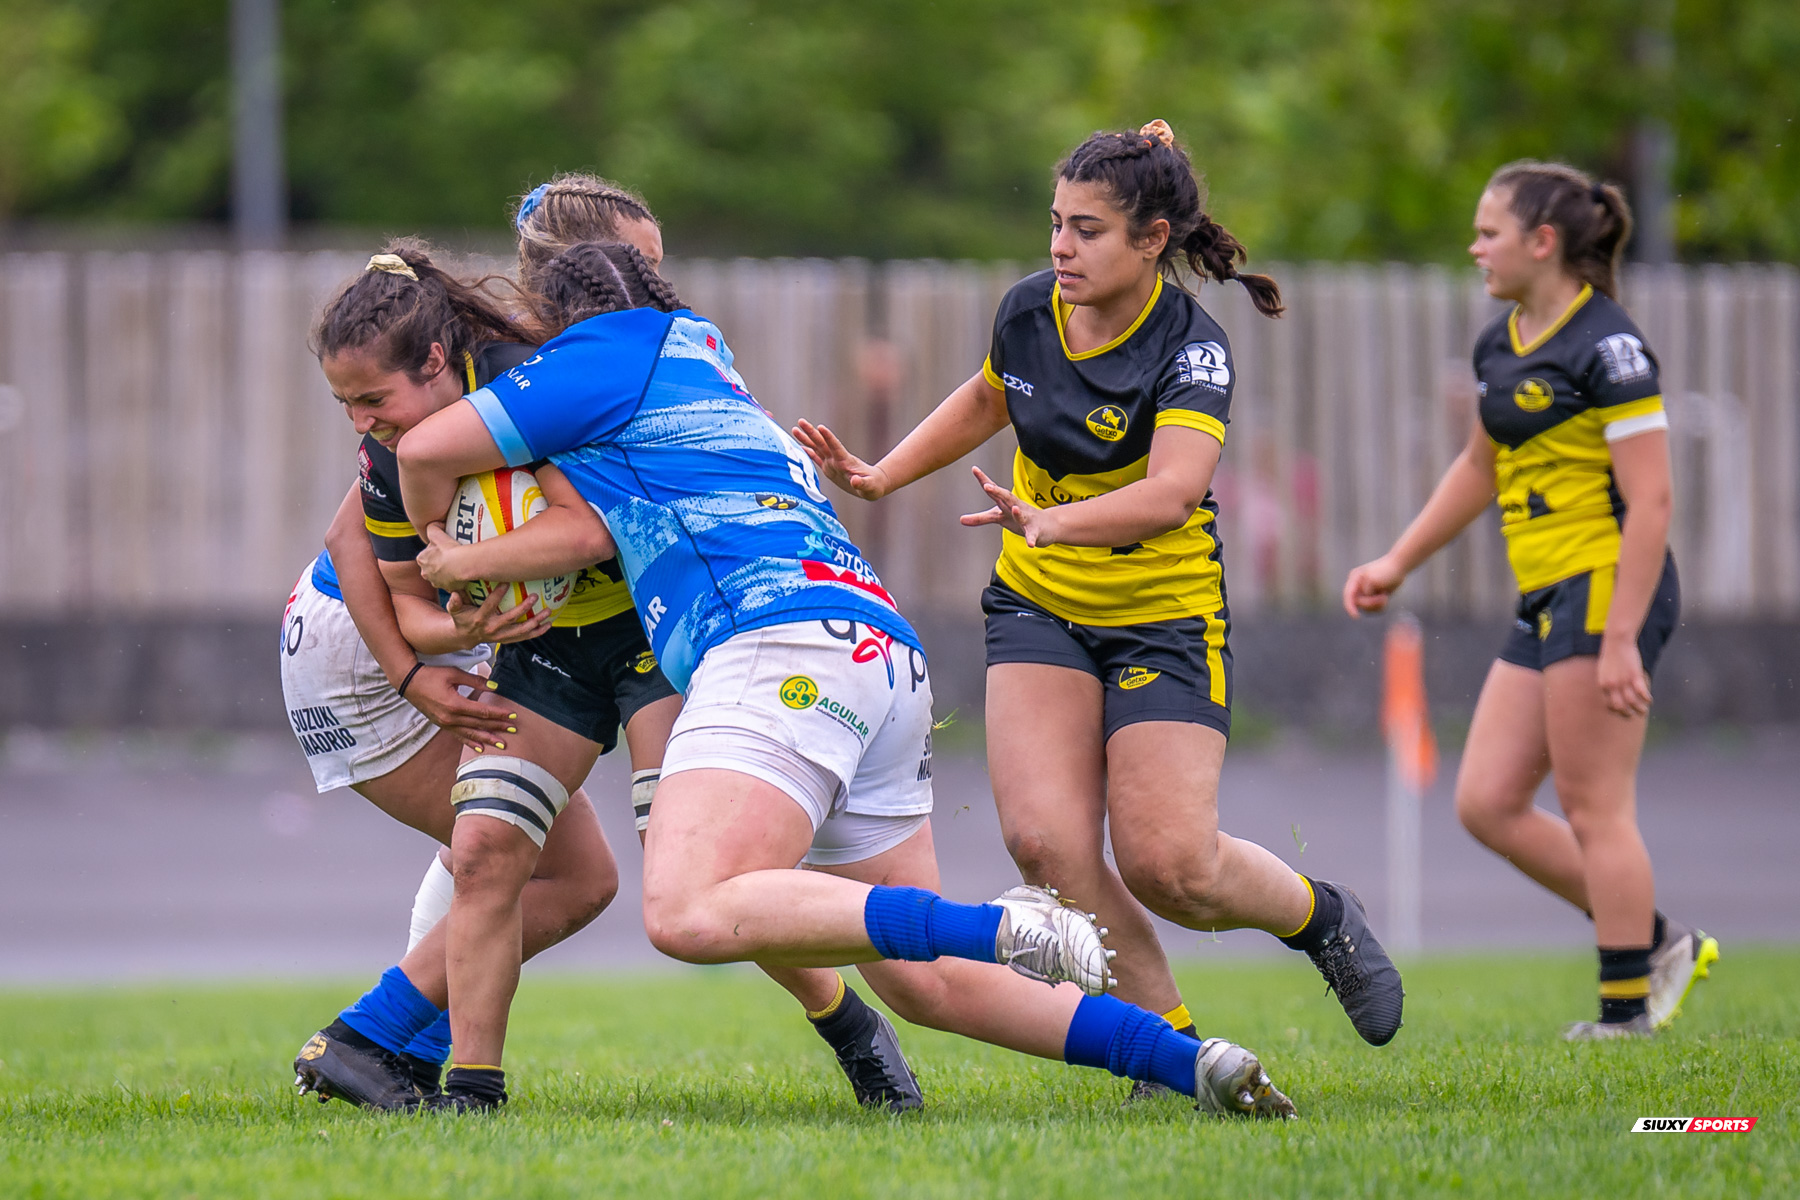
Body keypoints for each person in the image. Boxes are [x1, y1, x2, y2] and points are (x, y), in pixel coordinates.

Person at [398, 237, 1299, 1118]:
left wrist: (442, 554)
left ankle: (999, 926)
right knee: (922, 982)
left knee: (685, 909)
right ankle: (1189, 1060)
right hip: (875, 650)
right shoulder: (700, 354)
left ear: (564, 322)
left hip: (775, 643)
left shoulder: (600, 355)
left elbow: (420, 452)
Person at [792, 120, 1404, 1062]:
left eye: (1086, 230)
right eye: (1055, 223)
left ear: (1152, 239)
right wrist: (880, 474)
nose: (1059, 247)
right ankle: (1170, 1051)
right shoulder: (1030, 310)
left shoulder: (1190, 348)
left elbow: (1169, 494)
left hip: (1161, 614)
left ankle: (1320, 916)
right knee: (1047, 850)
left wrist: (1052, 520)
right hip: (1039, 604)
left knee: (1170, 866)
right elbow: (991, 398)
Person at [1343, 160, 1718, 1039]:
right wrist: (1398, 560)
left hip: (1608, 590)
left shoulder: (1610, 347)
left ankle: (1624, 1012)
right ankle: (1656, 940)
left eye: (1489, 232)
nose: (1475, 247)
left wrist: (1622, 636)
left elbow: (1654, 502)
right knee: (1486, 801)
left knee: (1596, 808)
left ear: (1542, 242)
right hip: (1546, 594)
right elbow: (1480, 468)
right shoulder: (1499, 343)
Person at [284, 245, 619, 1108]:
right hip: (356, 653)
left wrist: (462, 625)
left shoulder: (509, 385)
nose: (359, 421)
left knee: (519, 861)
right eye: (345, 403)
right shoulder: (409, 434)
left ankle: (389, 1048)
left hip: (399, 644)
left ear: (436, 359)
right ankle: (368, 1040)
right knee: (549, 870)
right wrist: (411, 671)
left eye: (370, 400)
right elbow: (354, 552)